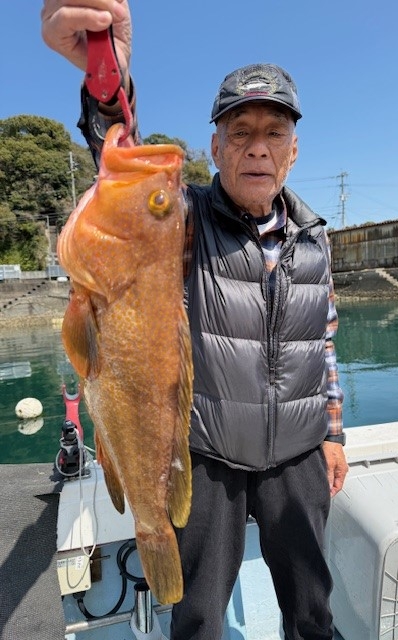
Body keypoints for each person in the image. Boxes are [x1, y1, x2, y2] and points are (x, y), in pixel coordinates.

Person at [41, 2, 349, 639]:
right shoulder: (186, 222)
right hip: (208, 456)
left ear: (293, 151)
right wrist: (108, 76)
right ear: (216, 147)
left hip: (297, 455)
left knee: (312, 611)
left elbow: (323, 344)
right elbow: (129, 188)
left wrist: (334, 434)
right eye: (240, 132)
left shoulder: (316, 238)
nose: (257, 147)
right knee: (199, 616)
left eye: (274, 133)